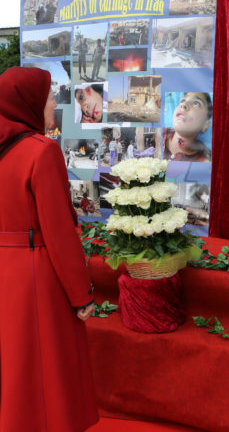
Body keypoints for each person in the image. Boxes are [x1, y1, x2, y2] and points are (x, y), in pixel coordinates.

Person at [0, 66, 98, 431]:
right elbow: (58, 232)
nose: (55, 104)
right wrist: (81, 295)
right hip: (33, 275)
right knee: (45, 376)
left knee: (12, 370)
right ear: (29, 103)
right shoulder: (41, 152)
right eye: (49, 97)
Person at [163, 92, 212, 162]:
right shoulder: (156, 134)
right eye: (183, 100)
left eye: (196, 103)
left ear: (205, 125)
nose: (184, 104)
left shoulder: (207, 160)